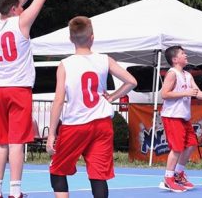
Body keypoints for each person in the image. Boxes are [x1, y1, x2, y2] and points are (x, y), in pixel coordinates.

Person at [0, 0, 67, 198]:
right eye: (19, 6)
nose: (22, 7)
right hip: (17, 88)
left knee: (1, 141)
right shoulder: (21, 22)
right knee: (16, 142)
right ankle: (15, 191)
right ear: (14, 9)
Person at [46, 16, 137, 198]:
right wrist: (112, 96)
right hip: (102, 123)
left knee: (57, 169)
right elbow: (131, 81)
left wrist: (51, 134)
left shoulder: (65, 65)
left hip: (76, 124)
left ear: (71, 39)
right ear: (92, 37)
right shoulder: (104, 60)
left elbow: (58, 100)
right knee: (98, 175)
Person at [159, 45, 202, 192]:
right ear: (175, 59)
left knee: (191, 144)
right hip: (172, 116)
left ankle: (178, 174)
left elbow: (196, 92)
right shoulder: (172, 74)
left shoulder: (187, 75)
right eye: (183, 53)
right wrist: (185, 93)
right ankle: (168, 178)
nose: (186, 55)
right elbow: (164, 94)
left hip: (183, 117)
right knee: (177, 148)